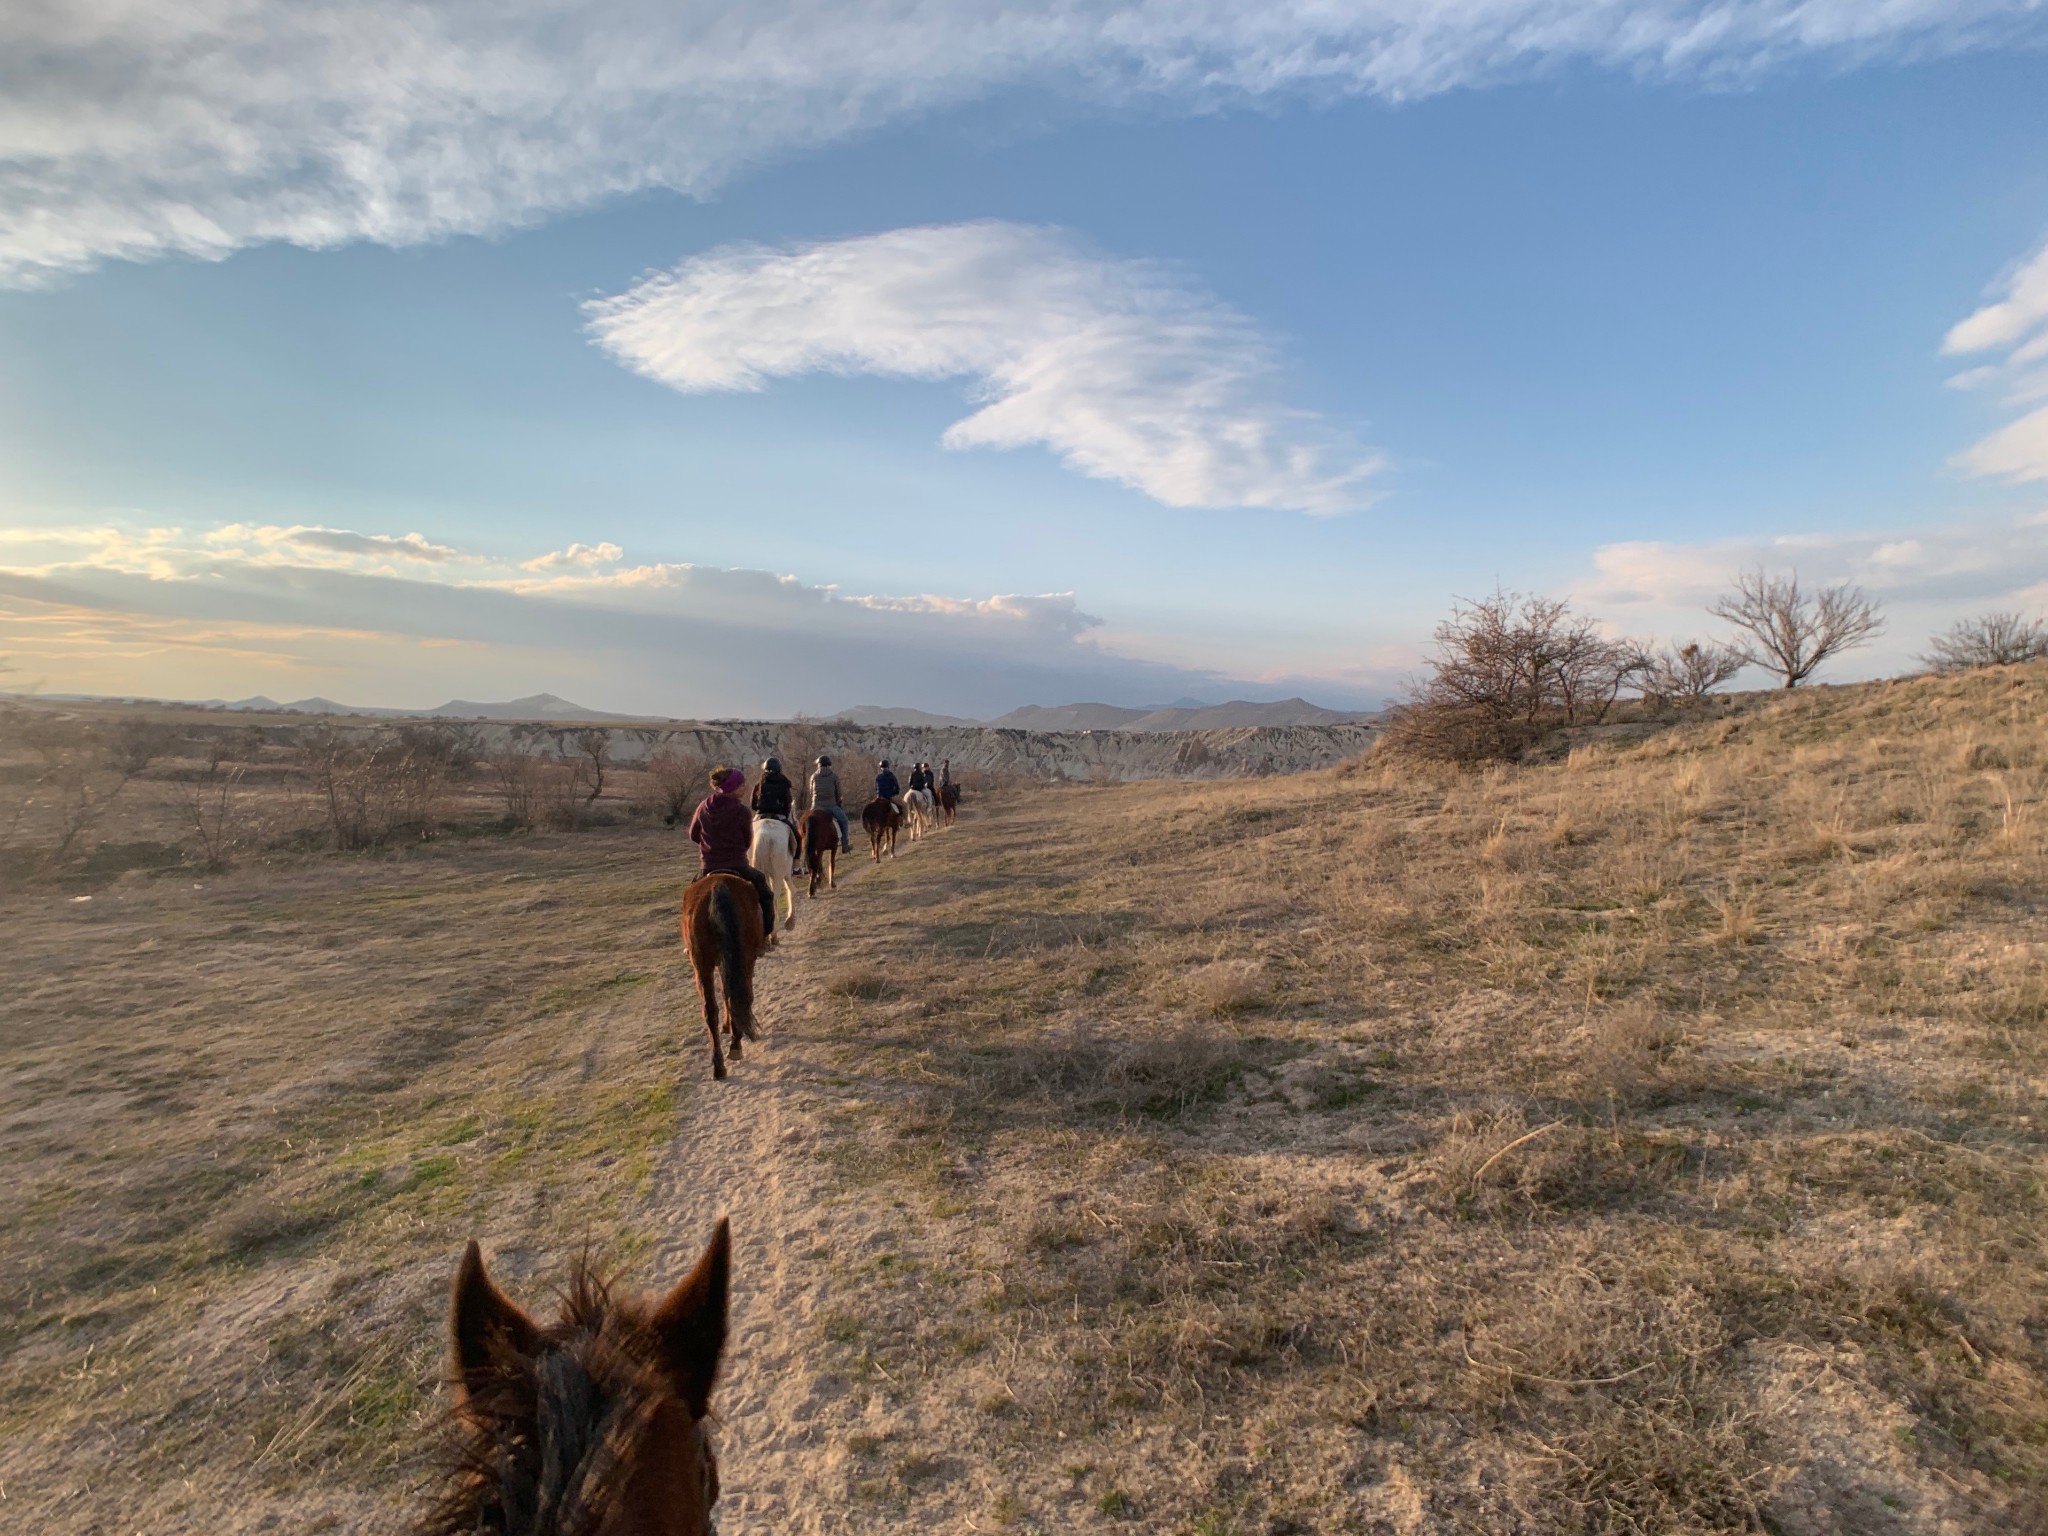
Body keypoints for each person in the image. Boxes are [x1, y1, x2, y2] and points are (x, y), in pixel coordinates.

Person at [686, 765, 776, 941]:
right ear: (732, 787)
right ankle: (765, 935)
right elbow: (747, 840)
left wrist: (709, 846)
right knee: (765, 893)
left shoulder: (703, 807)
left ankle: (690, 942)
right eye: (741, 785)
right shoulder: (741, 811)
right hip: (738, 866)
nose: (744, 787)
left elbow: (693, 835)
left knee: (690, 901)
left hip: (708, 867)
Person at [810, 754, 851, 854]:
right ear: (829, 765)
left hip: (816, 806)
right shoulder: (834, 776)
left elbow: (811, 792)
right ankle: (845, 844)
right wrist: (838, 802)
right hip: (831, 806)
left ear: (819, 765)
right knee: (844, 820)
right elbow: (838, 793)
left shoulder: (813, 776)